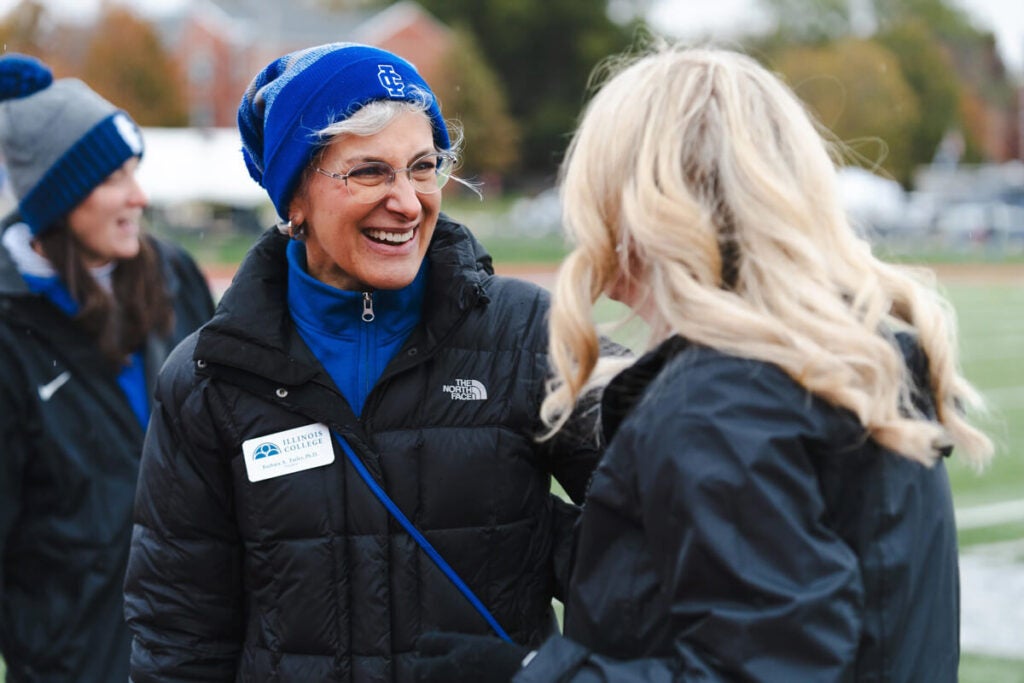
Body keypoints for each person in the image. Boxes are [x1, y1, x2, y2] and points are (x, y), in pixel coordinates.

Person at [411, 44, 994, 682]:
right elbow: (742, 596)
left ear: (642, 208)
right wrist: (532, 529)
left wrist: (526, 675)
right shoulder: (845, 370)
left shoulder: (724, 403)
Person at [123, 42, 617, 682]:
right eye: (369, 172)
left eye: (422, 167)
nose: (409, 203)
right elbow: (178, 633)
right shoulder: (210, 377)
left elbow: (668, 510)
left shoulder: (526, 333)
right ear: (294, 197)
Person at [0, 54, 215, 682]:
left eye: (136, 170)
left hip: (198, 647)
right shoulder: (10, 332)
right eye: (114, 177)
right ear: (59, 200)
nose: (139, 196)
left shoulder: (172, 273)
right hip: (79, 662)